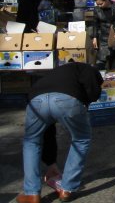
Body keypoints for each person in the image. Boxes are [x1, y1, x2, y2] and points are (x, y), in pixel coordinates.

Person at [17, 62, 103, 203]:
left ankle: (32, 194)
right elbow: (93, 93)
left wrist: (51, 163)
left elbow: (48, 131)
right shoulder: (89, 69)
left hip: (36, 100)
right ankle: (67, 189)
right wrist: (87, 101)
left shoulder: (58, 72)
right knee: (81, 139)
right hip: (67, 100)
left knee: (31, 142)